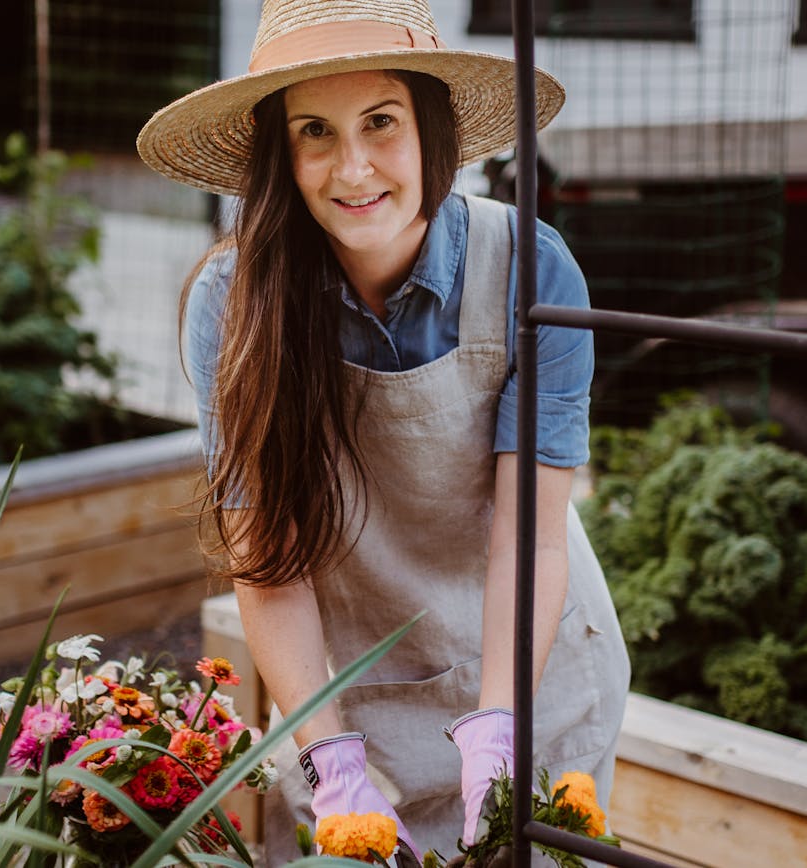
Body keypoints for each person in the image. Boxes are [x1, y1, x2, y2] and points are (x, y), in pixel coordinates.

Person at [137, 1, 630, 863]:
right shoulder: (233, 304)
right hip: (349, 690)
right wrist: (330, 760)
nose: (353, 166)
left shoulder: (533, 267)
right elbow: (271, 562)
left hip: (533, 678)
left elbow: (530, 540)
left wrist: (501, 731)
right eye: (314, 132)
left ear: (433, 129)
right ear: (280, 154)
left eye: (381, 122)